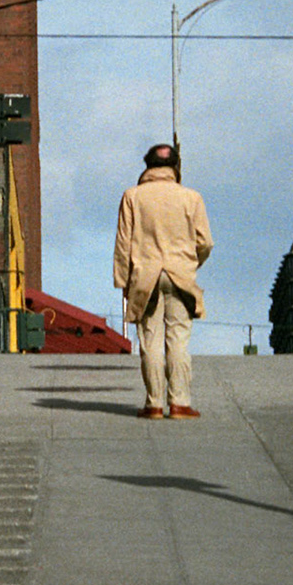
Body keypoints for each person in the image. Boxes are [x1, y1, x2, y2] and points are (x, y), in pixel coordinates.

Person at [113, 142, 213, 419]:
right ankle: (180, 402)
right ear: (176, 166)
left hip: (145, 277)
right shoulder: (191, 198)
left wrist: (124, 283)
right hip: (180, 275)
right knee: (178, 339)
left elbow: (123, 245)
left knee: (151, 340)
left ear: (147, 165)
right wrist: (191, 263)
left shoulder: (132, 197)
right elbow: (205, 242)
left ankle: (154, 403)